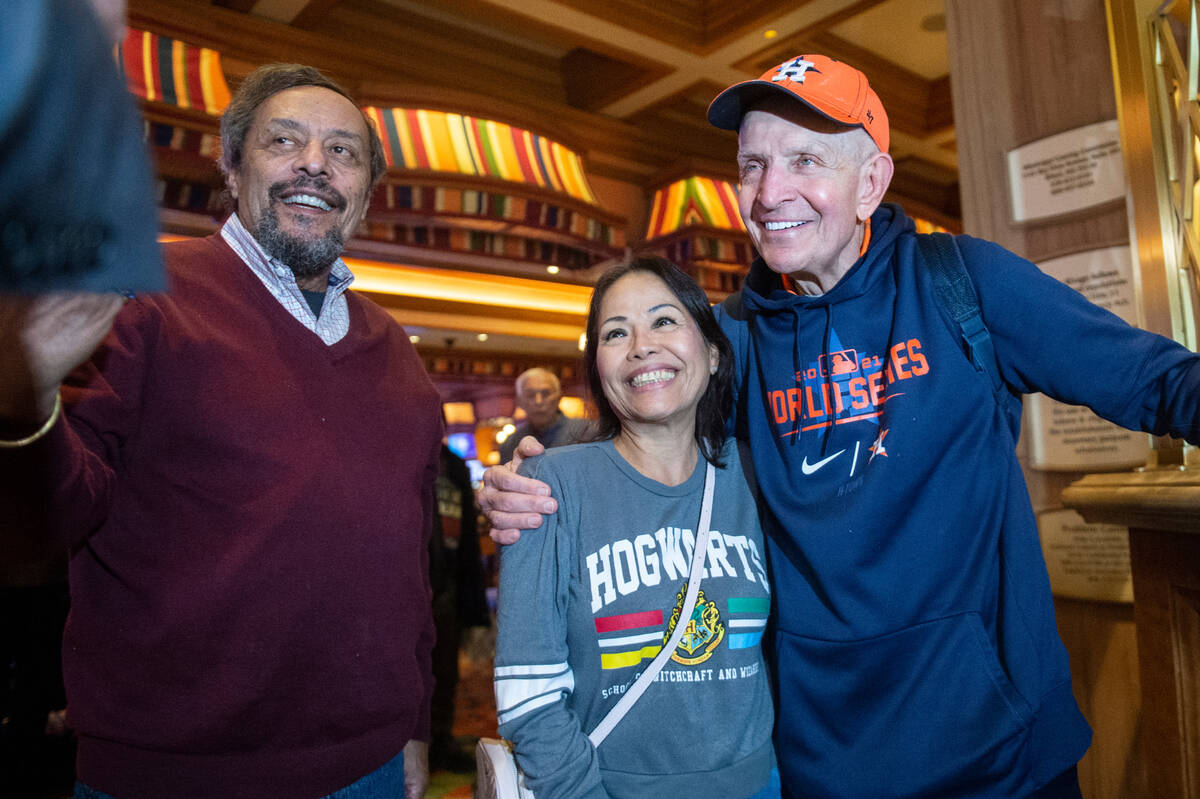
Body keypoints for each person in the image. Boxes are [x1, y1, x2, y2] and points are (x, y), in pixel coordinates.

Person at [479, 55, 1200, 798]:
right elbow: (648, 453)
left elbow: (1159, 381)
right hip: (825, 767)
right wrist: (533, 486)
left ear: (872, 182)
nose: (771, 192)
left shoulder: (961, 283)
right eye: (752, 165)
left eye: (804, 160)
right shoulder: (731, 341)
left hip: (1002, 755)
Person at [0, 63, 443, 799]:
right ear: (231, 168)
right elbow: (40, 526)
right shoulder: (139, 303)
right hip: (171, 776)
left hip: (370, 766)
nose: (314, 163)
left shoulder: (397, 352)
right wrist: (24, 397)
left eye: (343, 152)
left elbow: (410, 567)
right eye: (285, 140)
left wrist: (416, 724)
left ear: (364, 193)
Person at [494, 256, 778, 799]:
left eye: (664, 321)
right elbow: (527, 694)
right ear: (599, 368)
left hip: (760, 783)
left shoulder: (755, 472)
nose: (641, 345)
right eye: (616, 332)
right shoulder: (547, 484)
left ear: (714, 353)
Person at [428, 442, 490, 771]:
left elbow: (467, 539)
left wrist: (475, 610)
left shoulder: (453, 465)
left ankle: (440, 740)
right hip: (416, 583)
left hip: (448, 586)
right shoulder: (397, 453)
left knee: (445, 673)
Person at [497, 367, 592, 462]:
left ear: (559, 397)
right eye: (530, 395)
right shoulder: (510, 445)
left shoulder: (586, 433)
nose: (538, 401)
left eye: (546, 393)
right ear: (519, 401)